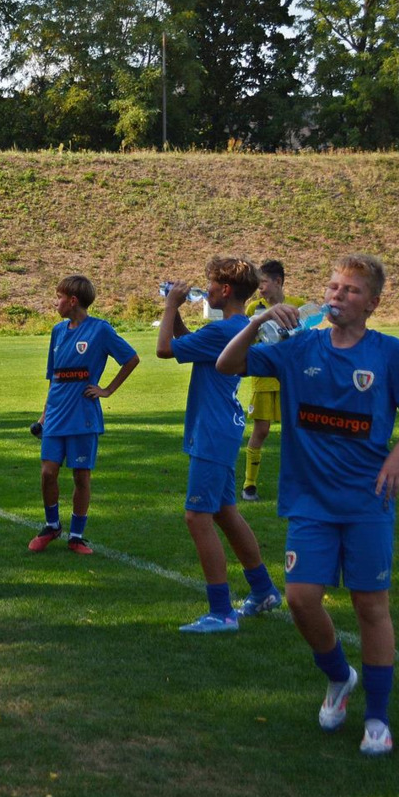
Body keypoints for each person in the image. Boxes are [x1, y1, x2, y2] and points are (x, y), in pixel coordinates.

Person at [217, 253, 399, 756]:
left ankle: (377, 718)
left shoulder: (388, 353)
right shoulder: (298, 347)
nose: (337, 295)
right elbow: (227, 364)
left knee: (370, 606)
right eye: (334, 287)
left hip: (367, 500)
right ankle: (338, 675)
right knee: (300, 598)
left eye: (351, 290)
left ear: (372, 303)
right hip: (309, 499)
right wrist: (258, 322)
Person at [157, 257, 282, 632]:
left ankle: (221, 612)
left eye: (211, 283)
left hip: (212, 431)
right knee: (225, 513)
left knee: (197, 517)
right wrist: (178, 315)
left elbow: (165, 349)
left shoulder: (224, 329)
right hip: (222, 427)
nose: (206, 289)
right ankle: (263, 590)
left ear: (225, 290)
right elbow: (187, 343)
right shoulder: (235, 327)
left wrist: (169, 306)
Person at [27, 274, 139, 555]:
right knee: (47, 473)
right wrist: (43, 416)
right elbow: (54, 379)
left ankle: (76, 536)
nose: (55, 302)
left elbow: (131, 359)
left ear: (73, 301)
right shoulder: (57, 331)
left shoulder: (100, 330)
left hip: (83, 417)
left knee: (81, 477)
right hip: (55, 416)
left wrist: (107, 390)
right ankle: (52, 526)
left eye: (59, 297)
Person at [241, 259, 306, 502]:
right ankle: (249, 484)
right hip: (263, 380)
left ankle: (299, 484)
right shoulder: (253, 309)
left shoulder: (298, 306)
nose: (260, 288)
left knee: (296, 431)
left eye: (264, 283)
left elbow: (307, 340)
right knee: (261, 430)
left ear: (278, 282)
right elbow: (247, 340)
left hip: (292, 380)